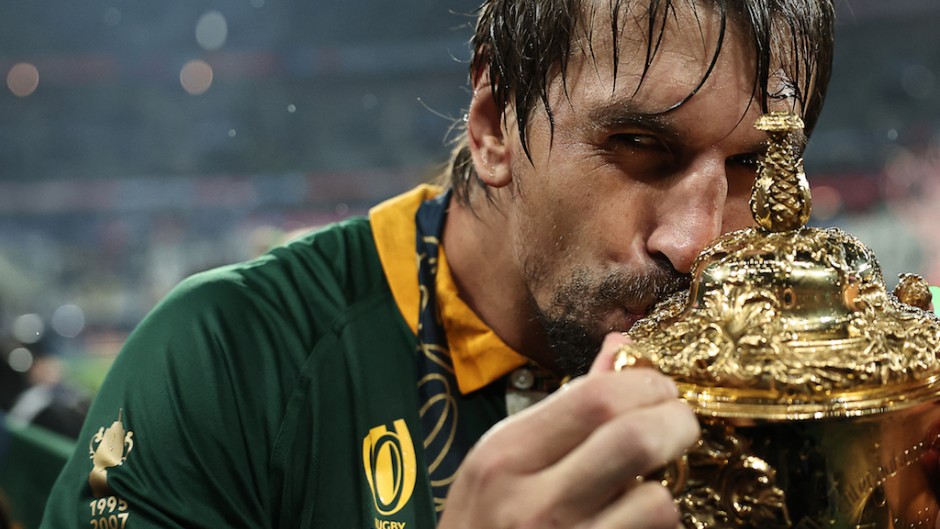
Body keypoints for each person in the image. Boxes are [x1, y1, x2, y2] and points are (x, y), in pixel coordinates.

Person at [40, 0, 834, 527]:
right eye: (639, 144)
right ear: (493, 126)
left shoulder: (821, 391)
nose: (697, 242)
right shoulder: (226, 361)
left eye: (754, 167)